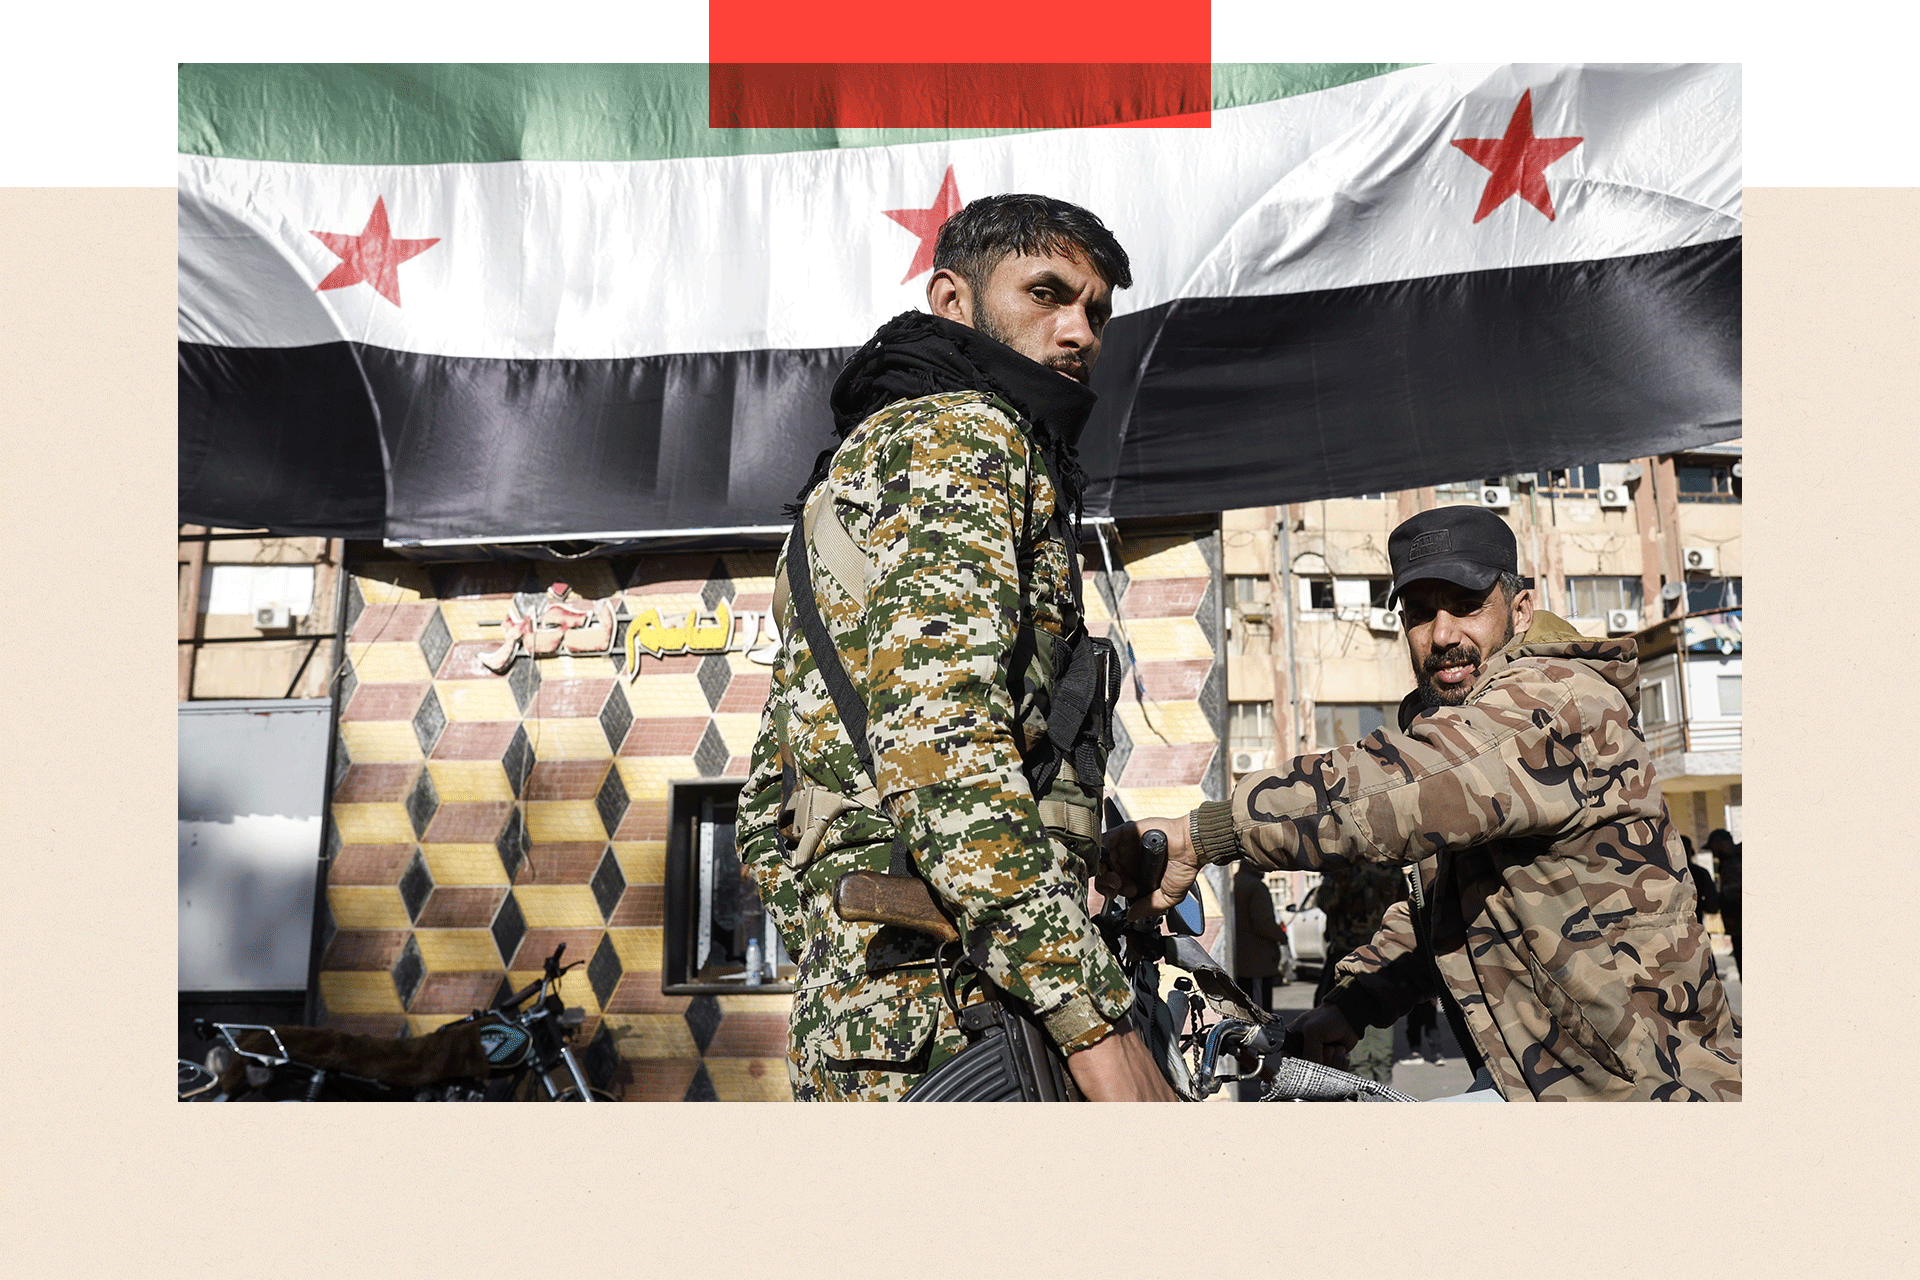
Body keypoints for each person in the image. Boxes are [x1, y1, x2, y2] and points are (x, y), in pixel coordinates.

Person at [737, 194, 1177, 1101]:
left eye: (1095, 312)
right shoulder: (965, 434)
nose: (1078, 332)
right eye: (1047, 294)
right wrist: (1101, 1035)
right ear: (953, 303)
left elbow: (766, 817)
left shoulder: (877, 455)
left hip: (889, 1023)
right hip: (969, 1019)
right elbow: (941, 754)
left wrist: (854, 950)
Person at [1104, 505, 1743, 1101]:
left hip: (1650, 1088)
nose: (1442, 635)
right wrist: (1352, 1009)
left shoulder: (1553, 701)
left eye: (1466, 607)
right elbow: (1440, 912)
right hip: (1553, 1081)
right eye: (1418, 612)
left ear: (1520, 610)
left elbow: (1395, 785)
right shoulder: (1455, 724)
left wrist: (1205, 833)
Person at [1310, 858, 1407, 1085]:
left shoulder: (1343, 867)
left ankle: (1360, 1074)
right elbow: (1404, 906)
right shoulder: (1392, 868)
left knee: (1353, 1011)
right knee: (1382, 1011)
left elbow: (1325, 901)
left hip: (1349, 951)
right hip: (1384, 949)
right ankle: (1382, 1074)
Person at [1706, 828, 1743, 976]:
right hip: (1736, 929)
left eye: (1713, 848)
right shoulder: (1726, 863)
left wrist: (1718, 898)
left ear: (1720, 843)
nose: (1713, 853)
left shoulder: (1738, 860)